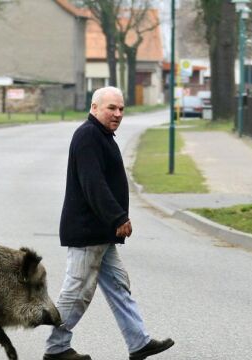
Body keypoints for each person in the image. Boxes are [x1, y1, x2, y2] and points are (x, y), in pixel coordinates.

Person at [43, 87, 174, 360]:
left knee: (118, 287)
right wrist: (117, 217)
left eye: (121, 109)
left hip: (101, 233)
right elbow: (94, 184)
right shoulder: (89, 136)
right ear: (94, 107)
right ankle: (56, 348)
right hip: (88, 231)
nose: (117, 114)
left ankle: (139, 342)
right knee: (77, 292)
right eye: (111, 108)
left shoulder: (102, 136)